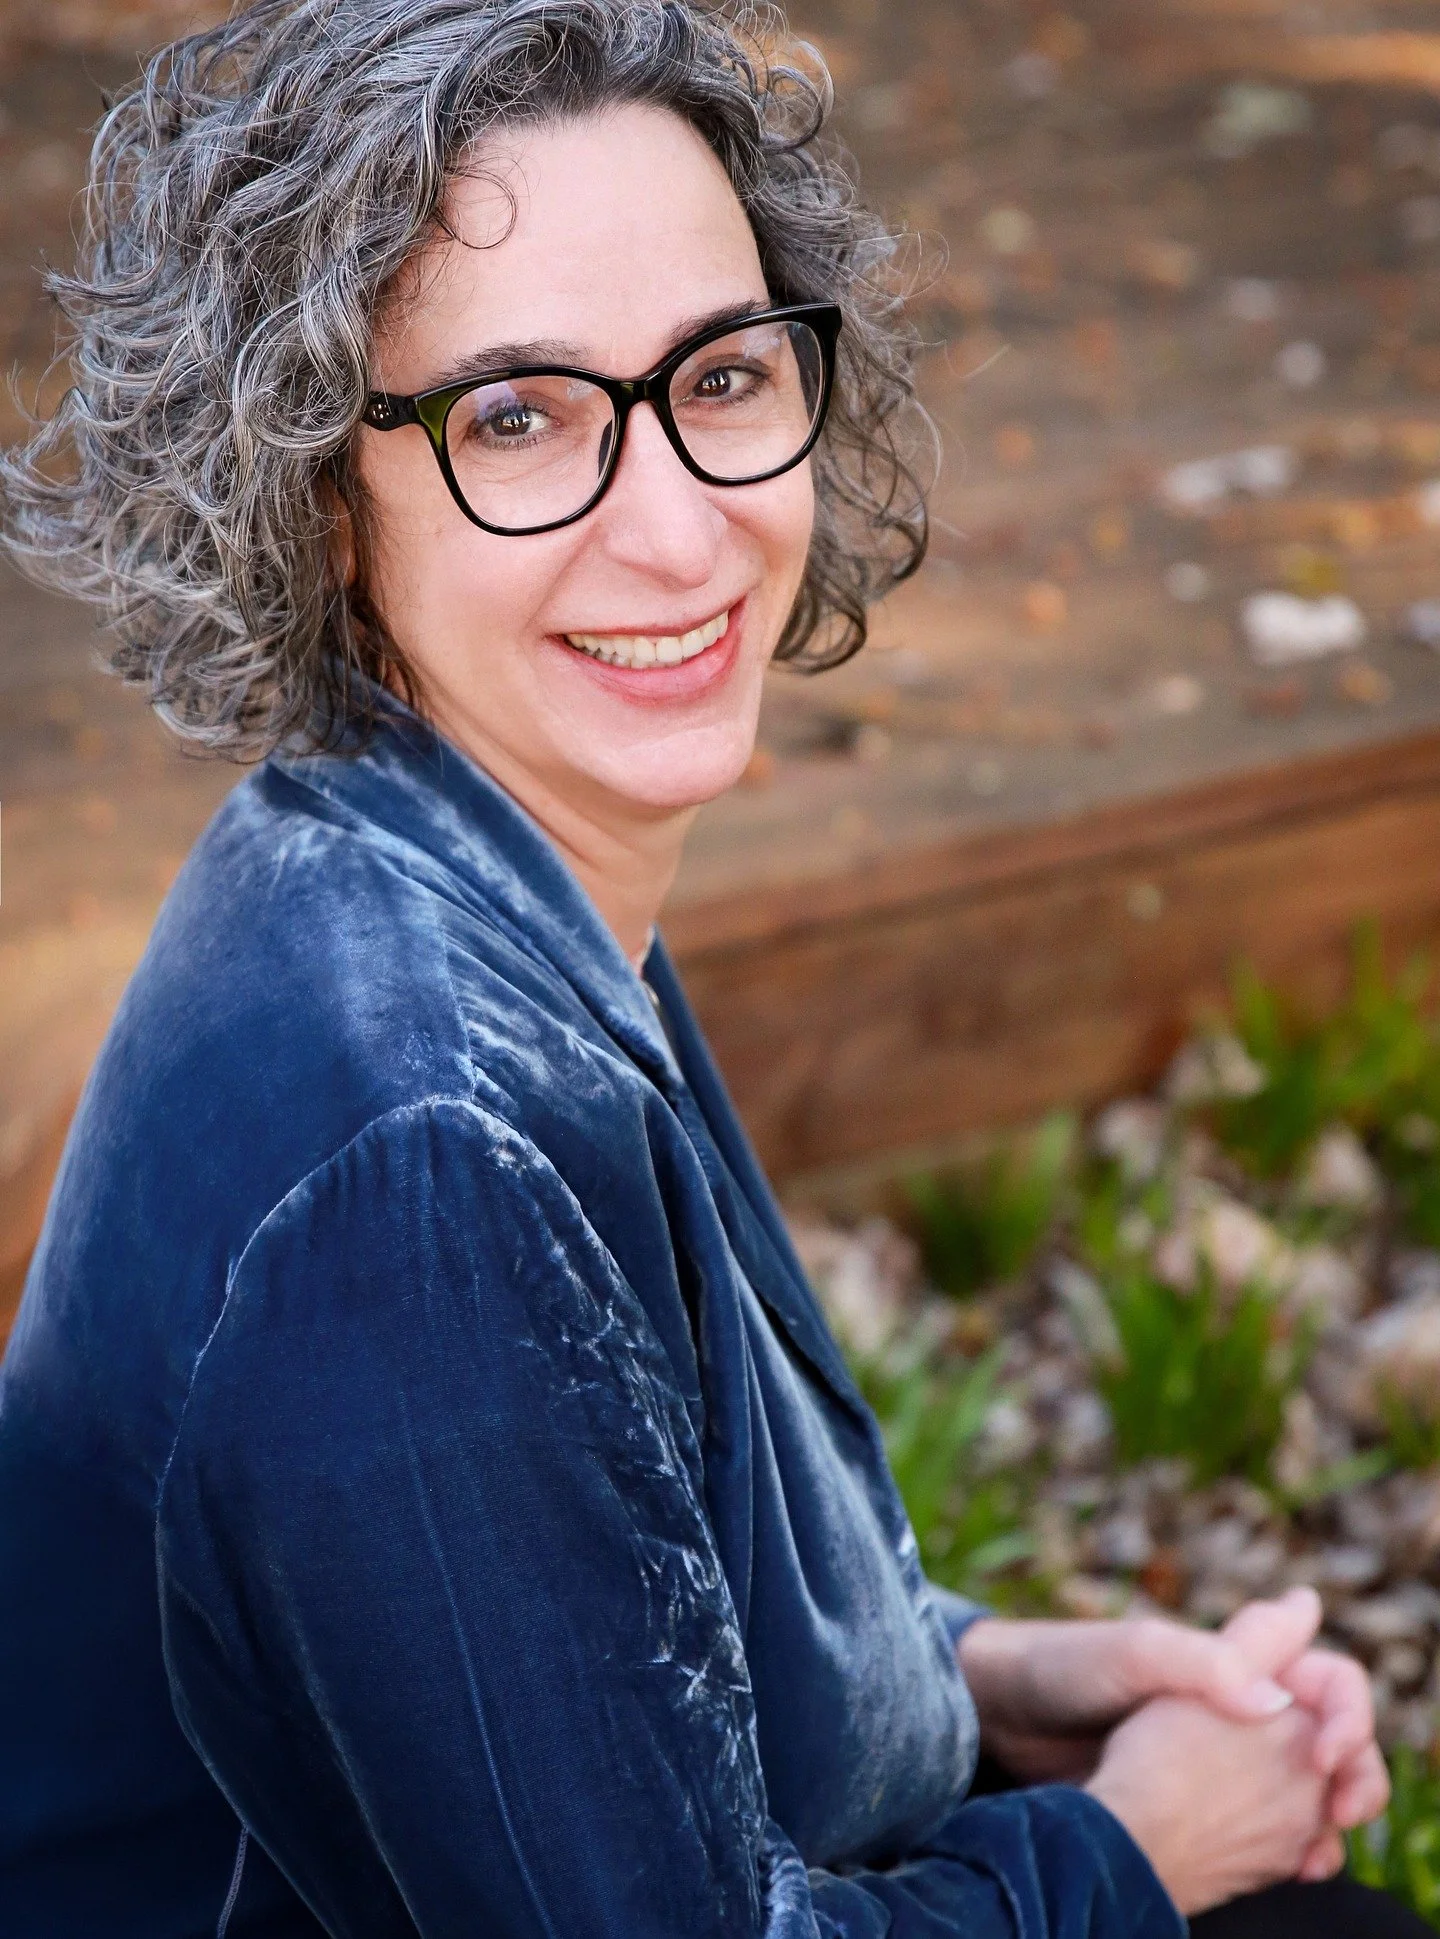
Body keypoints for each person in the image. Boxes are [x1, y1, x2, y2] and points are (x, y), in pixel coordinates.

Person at [0, 3, 1404, 1934]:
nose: (676, 526)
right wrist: (1139, 1841)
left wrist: (996, 1681)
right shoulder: (421, 1166)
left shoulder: (456, 864)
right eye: (519, 417)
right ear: (325, 502)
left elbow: (628, 1609)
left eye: (722, 379)